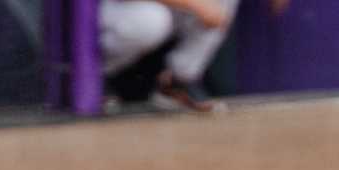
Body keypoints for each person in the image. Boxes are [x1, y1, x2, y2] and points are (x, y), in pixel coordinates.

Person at [101, 0, 245, 112]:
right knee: (150, 20)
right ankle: (90, 81)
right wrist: (195, 4)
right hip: (98, 14)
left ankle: (179, 81)